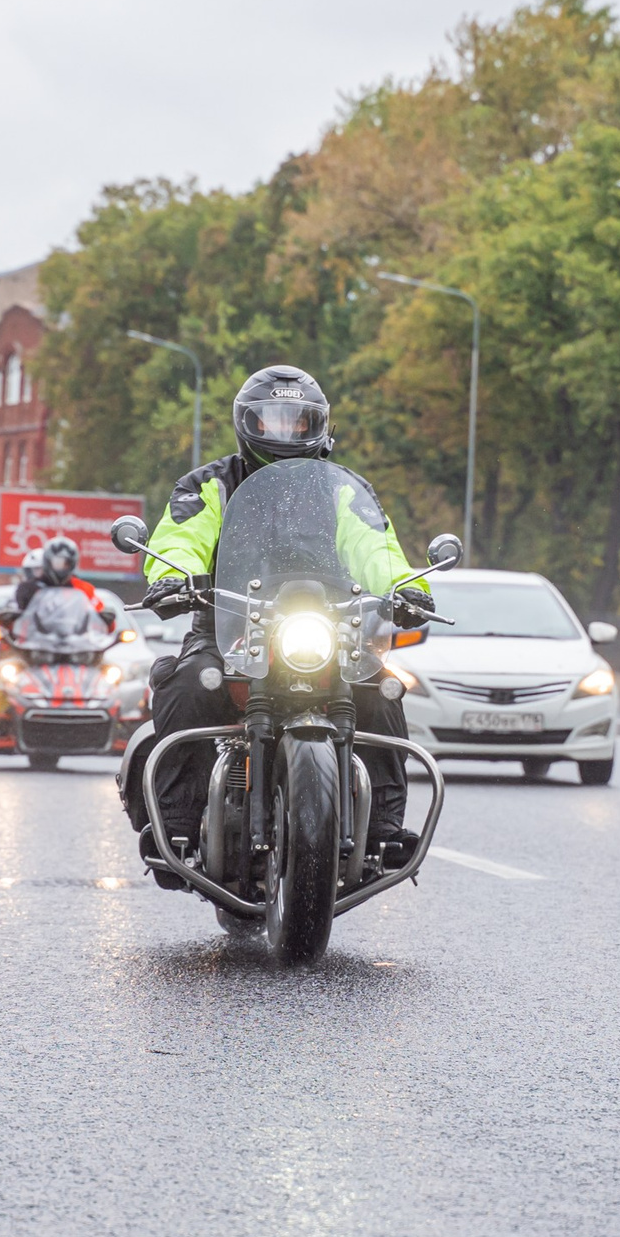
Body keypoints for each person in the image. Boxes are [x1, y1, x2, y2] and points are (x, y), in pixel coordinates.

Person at [136, 365, 434, 869]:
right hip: (229, 625)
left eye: (297, 421)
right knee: (186, 684)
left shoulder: (342, 489)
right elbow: (180, 538)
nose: (284, 432)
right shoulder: (210, 484)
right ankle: (179, 827)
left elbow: (375, 546)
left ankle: (382, 830)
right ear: (246, 423)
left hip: (327, 626)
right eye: (272, 420)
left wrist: (408, 589)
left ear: (320, 426)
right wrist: (172, 576)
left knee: (381, 691)